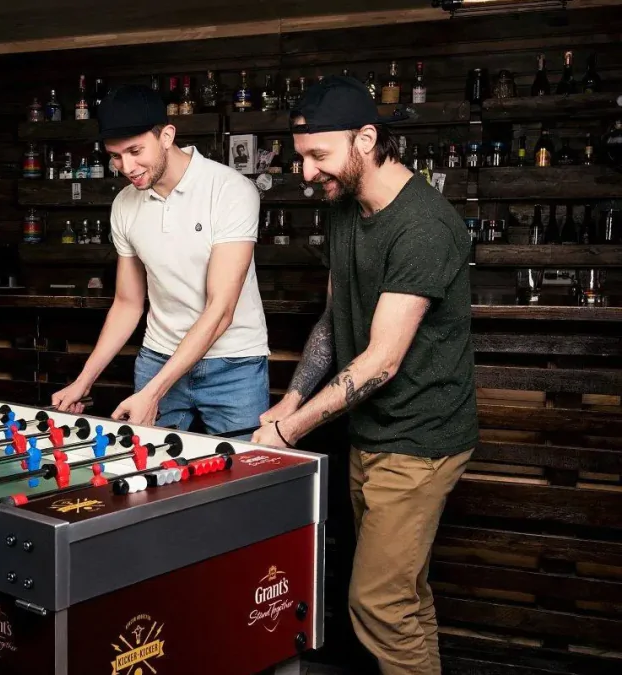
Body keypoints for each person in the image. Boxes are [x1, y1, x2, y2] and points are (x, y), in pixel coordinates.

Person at [250, 76, 478, 675]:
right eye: (300, 158)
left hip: (421, 439)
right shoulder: (347, 208)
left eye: (317, 156)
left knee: (376, 603)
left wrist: (291, 430)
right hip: (372, 434)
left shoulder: (424, 225)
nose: (305, 173)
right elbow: (333, 316)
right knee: (404, 598)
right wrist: (289, 401)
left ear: (367, 139)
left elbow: (381, 359)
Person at [51, 84, 270, 438]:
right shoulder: (124, 204)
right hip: (157, 356)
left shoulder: (230, 190)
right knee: (148, 479)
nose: (127, 166)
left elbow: (221, 309)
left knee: (247, 477)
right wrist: (83, 381)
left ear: (167, 135)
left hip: (233, 363)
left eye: (136, 151)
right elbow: (127, 303)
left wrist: (153, 392)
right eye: (116, 156)